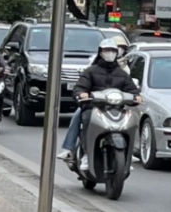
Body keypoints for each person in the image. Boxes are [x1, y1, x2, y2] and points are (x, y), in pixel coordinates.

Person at [59, 39, 140, 171]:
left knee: (131, 120)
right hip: (93, 106)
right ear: (100, 52)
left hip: (116, 108)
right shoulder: (90, 71)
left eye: (113, 51)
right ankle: (83, 153)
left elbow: (132, 89)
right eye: (107, 50)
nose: (110, 53)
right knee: (83, 117)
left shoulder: (122, 73)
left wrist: (136, 96)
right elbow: (80, 87)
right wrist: (82, 94)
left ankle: (128, 153)